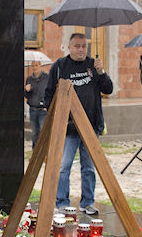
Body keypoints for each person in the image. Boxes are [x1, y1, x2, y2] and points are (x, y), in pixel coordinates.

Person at [44, 32, 113, 215]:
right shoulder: (60, 66)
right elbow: (49, 94)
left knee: (89, 168)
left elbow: (108, 89)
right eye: (77, 46)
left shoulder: (93, 65)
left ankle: (87, 203)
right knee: (63, 167)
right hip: (68, 129)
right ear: (69, 47)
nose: (81, 49)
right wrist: (56, 118)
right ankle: (62, 203)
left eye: (84, 46)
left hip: (90, 128)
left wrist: (101, 72)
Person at [24, 60, 49, 148]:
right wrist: (26, 90)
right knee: (35, 132)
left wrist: (47, 105)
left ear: (40, 65)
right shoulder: (29, 79)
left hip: (43, 110)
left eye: (36, 65)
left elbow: (50, 92)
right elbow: (26, 95)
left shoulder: (47, 77)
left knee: (43, 131)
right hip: (33, 109)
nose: (34, 67)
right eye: (33, 66)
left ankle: (44, 150)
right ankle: (35, 150)